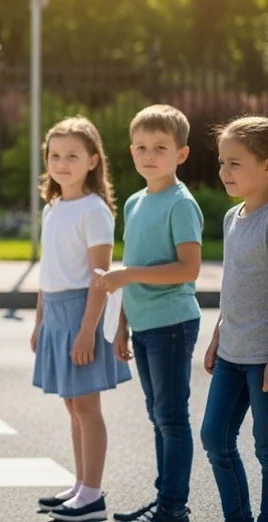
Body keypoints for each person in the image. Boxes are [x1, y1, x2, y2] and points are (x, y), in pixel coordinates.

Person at [92, 104, 205, 522]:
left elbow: (189, 269)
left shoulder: (181, 203)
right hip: (143, 324)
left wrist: (127, 276)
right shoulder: (137, 202)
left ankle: (173, 508)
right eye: (141, 147)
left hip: (173, 324)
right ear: (131, 150)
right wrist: (122, 324)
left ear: (181, 154)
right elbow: (132, 262)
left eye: (160, 147)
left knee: (172, 418)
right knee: (158, 417)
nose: (148, 155)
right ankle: (165, 501)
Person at [30, 116, 132, 521]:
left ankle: (93, 494)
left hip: (81, 313)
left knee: (87, 406)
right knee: (72, 405)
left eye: (72, 156)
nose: (61, 163)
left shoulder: (94, 210)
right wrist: (39, 321)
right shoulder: (54, 207)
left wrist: (88, 330)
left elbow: (100, 277)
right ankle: (81, 484)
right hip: (55, 312)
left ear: (92, 160)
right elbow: (47, 271)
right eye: (55, 155)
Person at [200, 115, 268, 522]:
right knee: (214, 437)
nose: (224, 171)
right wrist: (217, 334)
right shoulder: (232, 218)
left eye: (235, 163)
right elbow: (234, 284)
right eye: (222, 162)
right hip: (231, 351)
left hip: (262, 356)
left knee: (266, 447)